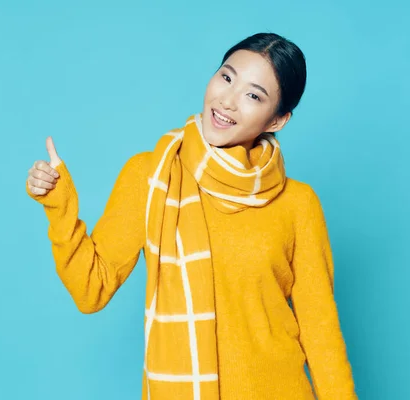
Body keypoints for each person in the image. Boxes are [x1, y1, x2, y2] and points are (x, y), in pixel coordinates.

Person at [25, 32, 357, 400]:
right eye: (226, 77)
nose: (227, 101)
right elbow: (91, 290)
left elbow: (320, 331)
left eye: (253, 95)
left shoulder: (298, 204)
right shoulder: (152, 177)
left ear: (277, 120)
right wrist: (59, 206)